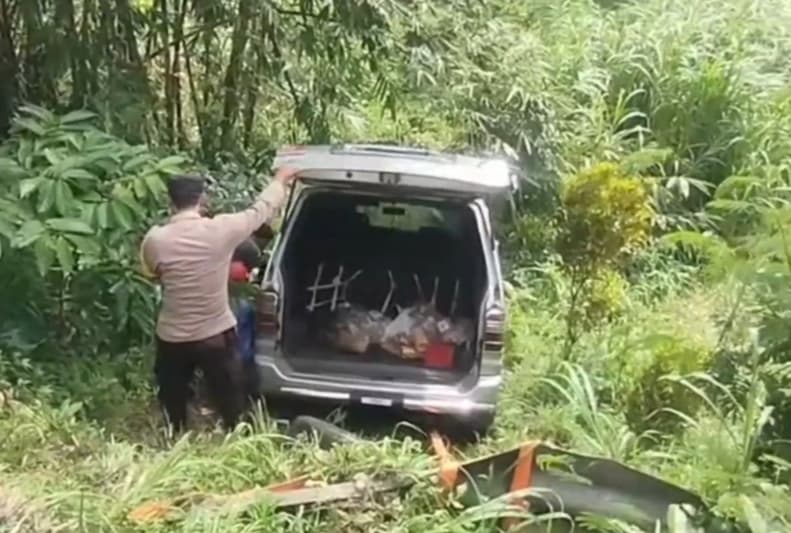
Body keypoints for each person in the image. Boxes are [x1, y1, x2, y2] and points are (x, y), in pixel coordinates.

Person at [140, 168, 298, 433]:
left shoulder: (155, 240)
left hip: (172, 336)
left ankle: (174, 435)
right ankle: (233, 432)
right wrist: (280, 180)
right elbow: (260, 211)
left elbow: (151, 274)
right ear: (202, 200)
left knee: (173, 393)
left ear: (170, 201)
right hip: (214, 334)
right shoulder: (221, 229)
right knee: (229, 392)